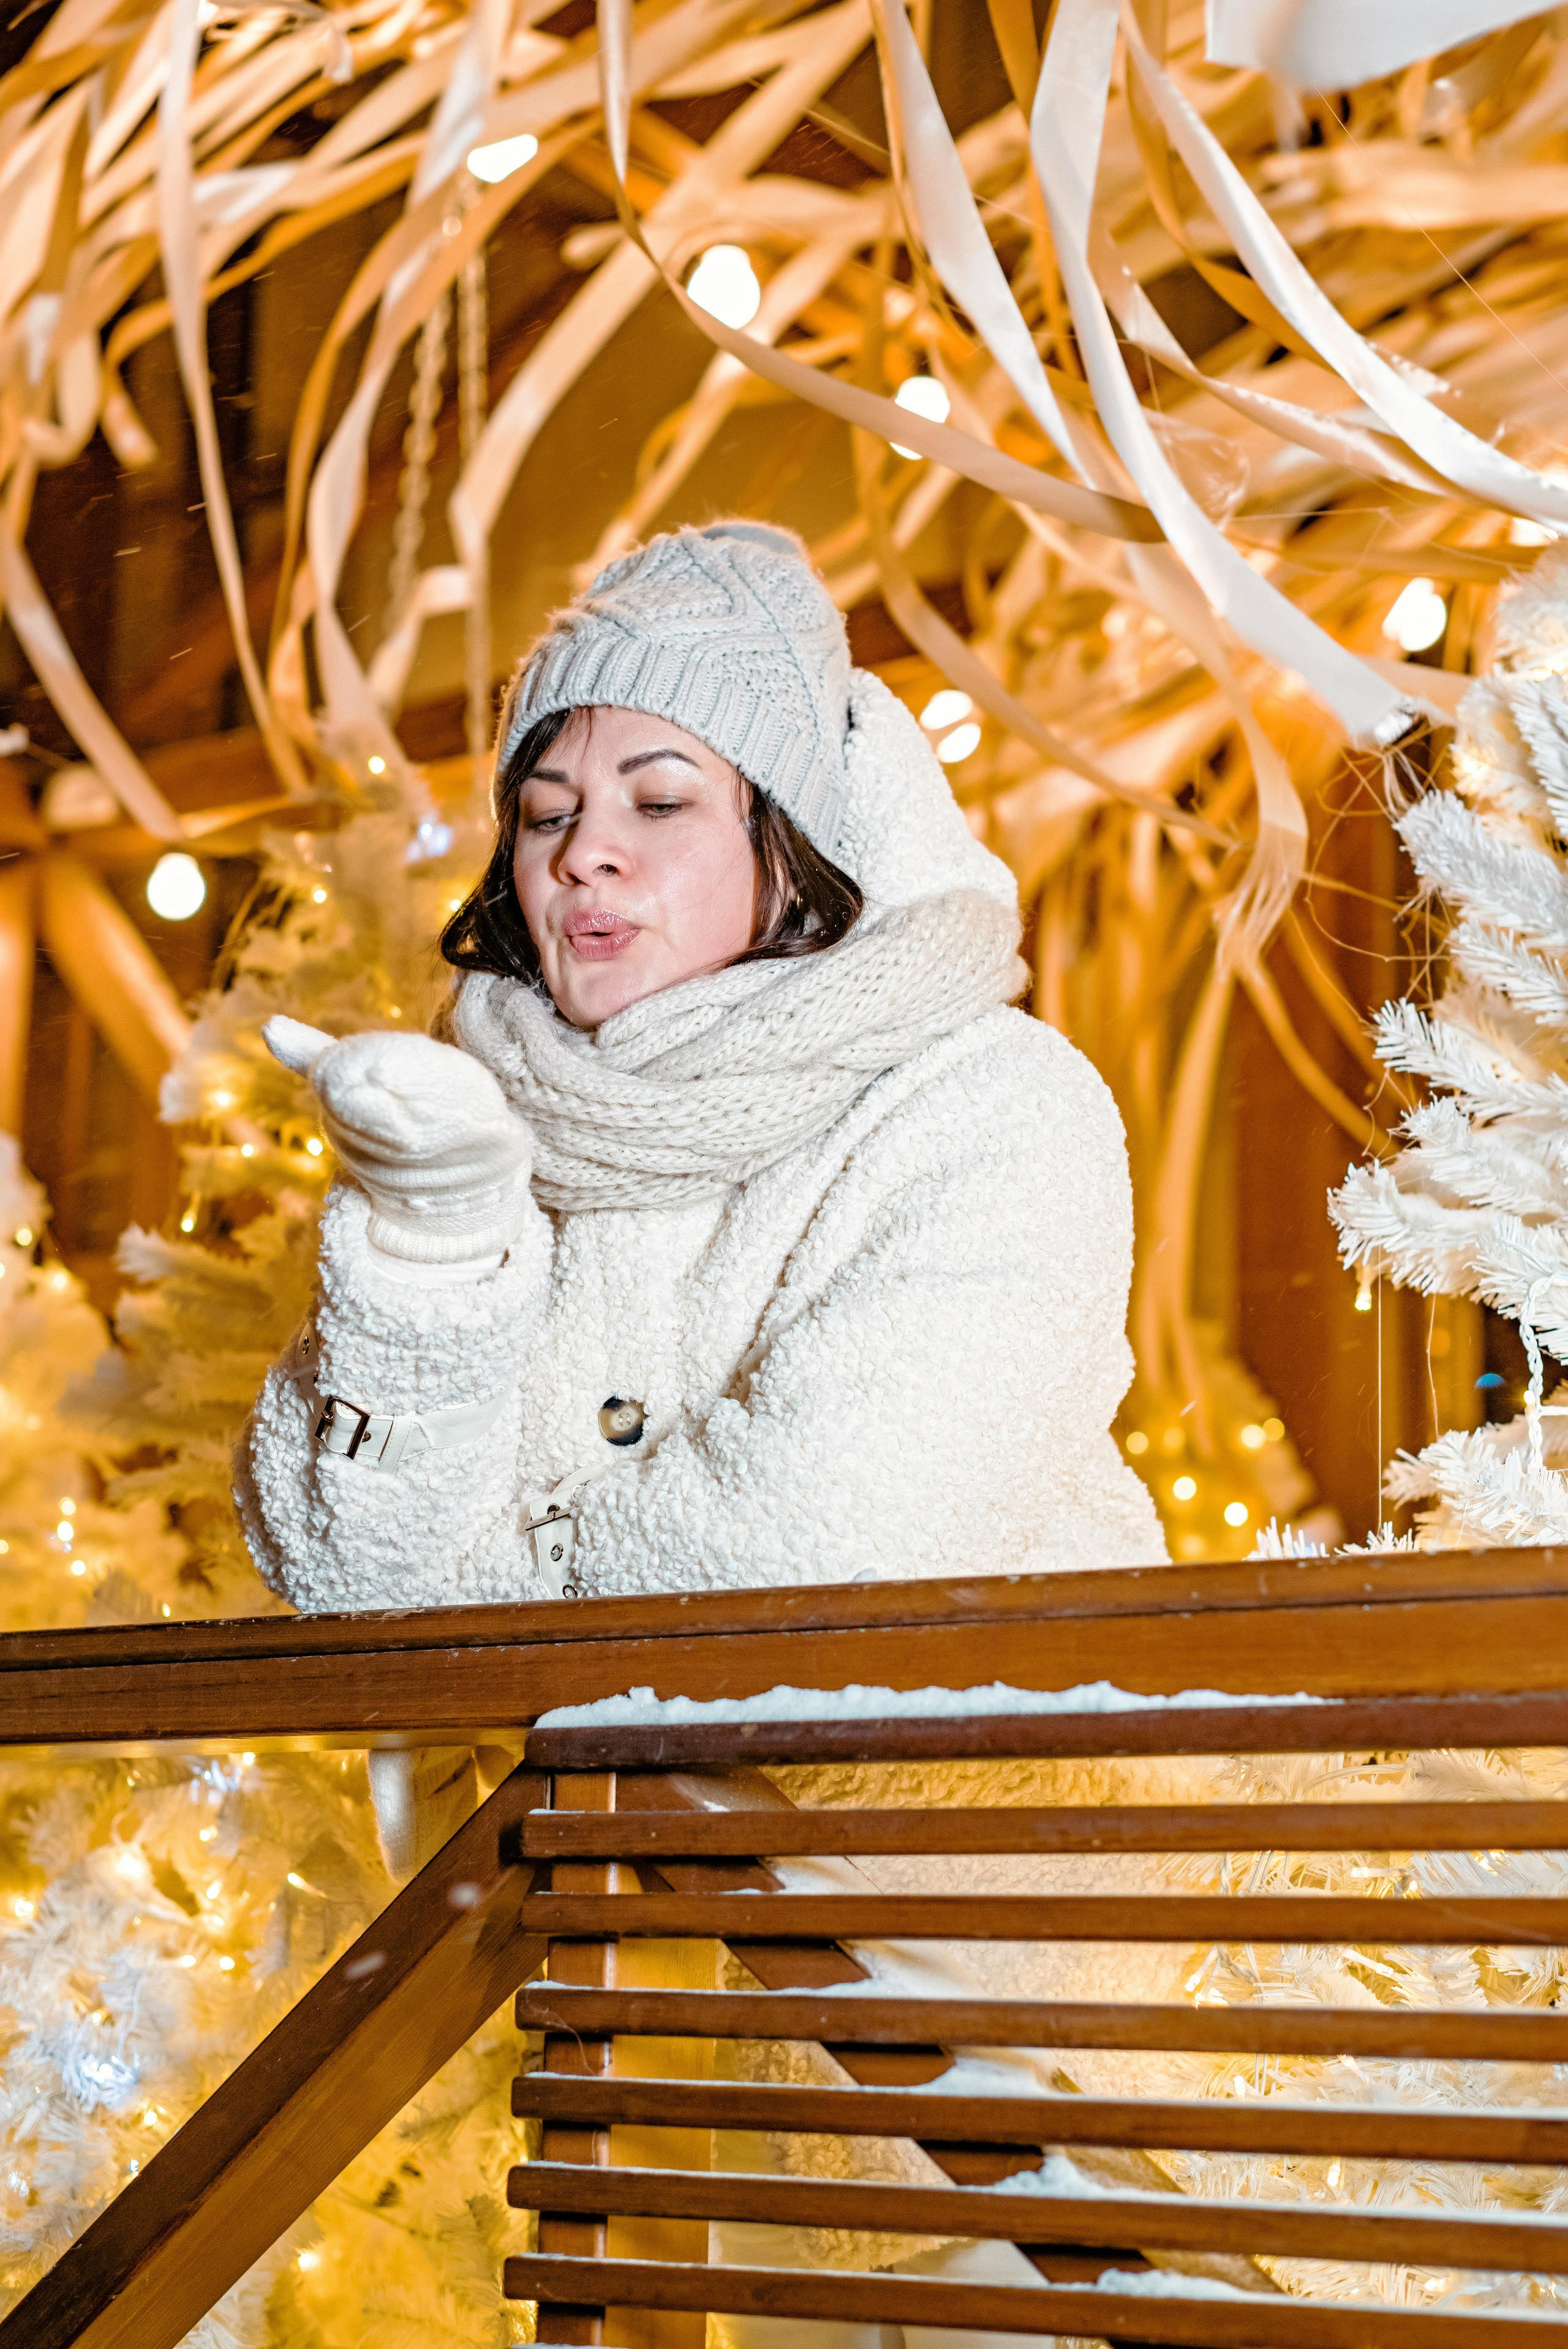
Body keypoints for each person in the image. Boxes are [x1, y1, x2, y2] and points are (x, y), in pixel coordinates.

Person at [236, 519, 1165, 1862]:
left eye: (657, 802)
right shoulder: (473, 1130)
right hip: (555, 1953)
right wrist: (429, 1244)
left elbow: (822, 1564)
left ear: (792, 835)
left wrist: (477, 1609)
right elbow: (340, 1579)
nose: (582, 854)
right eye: (546, 812)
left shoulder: (995, 1103)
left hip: (955, 1931)